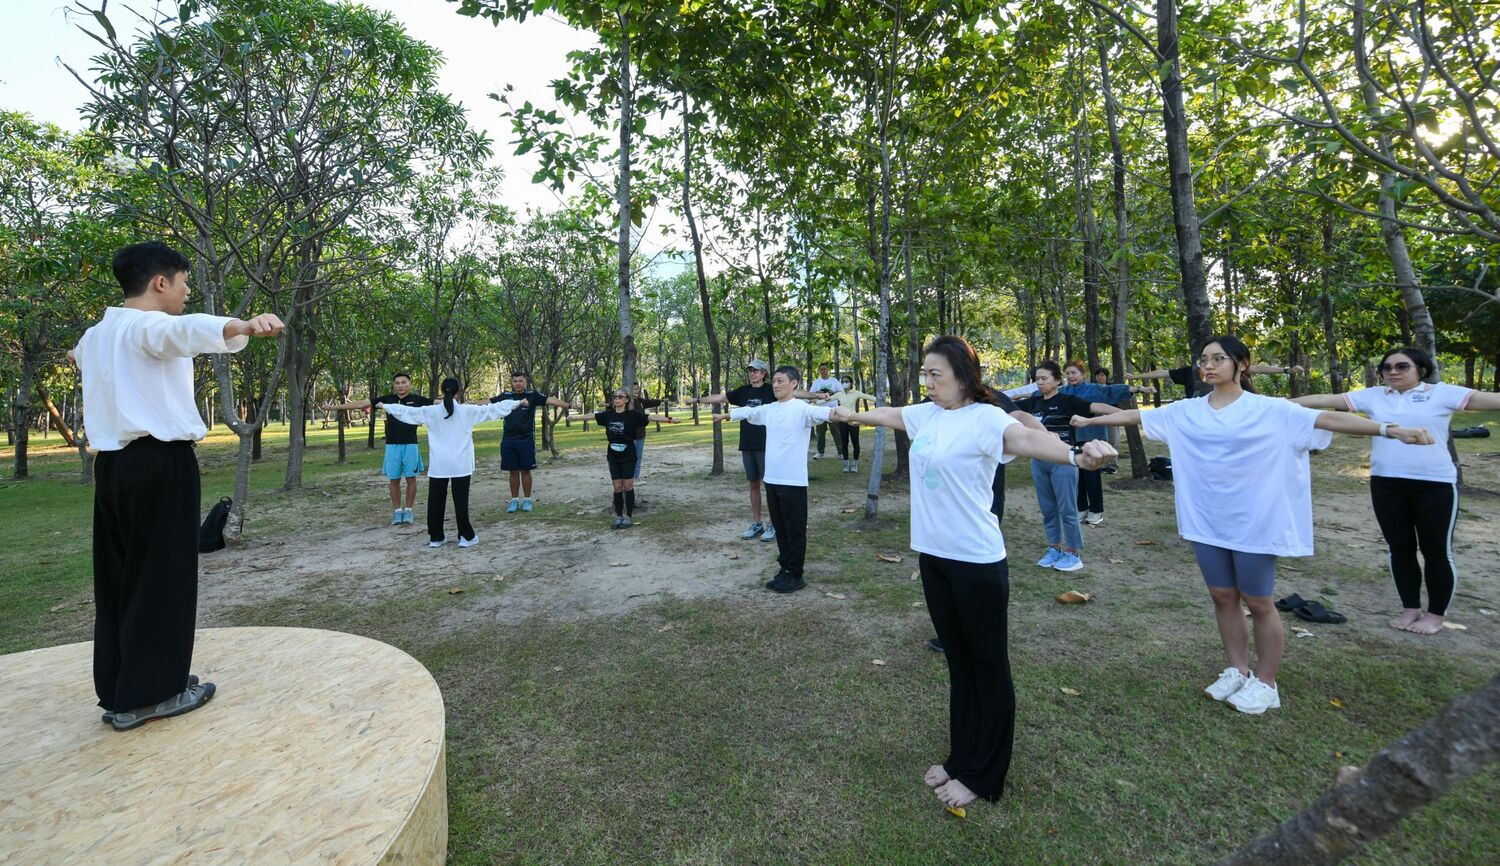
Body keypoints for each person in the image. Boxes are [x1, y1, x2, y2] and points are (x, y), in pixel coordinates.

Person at [1073, 335, 1435, 715]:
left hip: (1255, 521)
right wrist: (1092, 421)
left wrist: (1389, 429)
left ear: (1242, 364)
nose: (1208, 365)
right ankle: (1237, 670)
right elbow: (1136, 417)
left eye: (1218, 358)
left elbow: (1326, 419)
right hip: (1206, 520)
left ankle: (1266, 683)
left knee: (1259, 602)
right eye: (1204, 359)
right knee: (1222, 597)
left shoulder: (1270, 409)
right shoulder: (1187, 410)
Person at [836, 335, 1117, 810]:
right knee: (960, 664)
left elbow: (1027, 438)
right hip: (934, 557)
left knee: (987, 667)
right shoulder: (927, 414)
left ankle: (985, 775)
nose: (927, 382)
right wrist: (851, 416)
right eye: (925, 374)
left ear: (963, 376)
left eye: (935, 375)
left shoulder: (986, 417)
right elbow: (890, 415)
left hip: (976, 562)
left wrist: (1075, 456)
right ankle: (962, 757)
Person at [74, 241, 283, 731]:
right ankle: (151, 694)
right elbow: (184, 331)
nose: (187, 292)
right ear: (160, 282)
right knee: (162, 577)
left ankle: (124, 684)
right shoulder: (148, 326)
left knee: (121, 577)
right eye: (184, 282)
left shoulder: (96, 335)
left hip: (113, 468)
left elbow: (81, 355)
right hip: (158, 463)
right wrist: (242, 325)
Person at [1291, 347, 1500, 635]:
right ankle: (1410, 609)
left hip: (1435, 485)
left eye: (1402, 366)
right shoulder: (1375, 395)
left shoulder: (1442, 393)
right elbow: (1326, 399)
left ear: (1420, 369)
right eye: (1386, 367)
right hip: (1386, 483)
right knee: (1400, 549)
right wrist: (1278, 404)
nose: (1392, 372)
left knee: (1436, 551)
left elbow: (1491, 400)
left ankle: (1435, 616)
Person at [715, 365, 832, 592]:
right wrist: (725, 415)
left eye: (780, 381)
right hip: (772, 479)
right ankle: (785, 567)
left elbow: (826, 414)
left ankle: (796, 574)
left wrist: (849, 415)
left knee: (794, 529)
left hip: (793, 481)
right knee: (780, 526)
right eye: (775, 381)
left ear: (794, 384)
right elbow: (749, 412)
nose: (776, 385)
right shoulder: (770, 409)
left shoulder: (803, 409)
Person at [1010, 361, 1122, 572]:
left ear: (1057, 381)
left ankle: (1072, 552)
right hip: (1038, 461)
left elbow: (1097, 407)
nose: (1040, 382)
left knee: (1068, 509)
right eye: (1037, 379)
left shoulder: (1068, 401)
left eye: (1044, 378)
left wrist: (1127, 415)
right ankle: (1054, 548)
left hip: (1063, 460)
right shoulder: (1033, 403)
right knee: (1048, 509)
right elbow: (1007, 407)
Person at [380, 379, 520, 548]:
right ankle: (466, 537)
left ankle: (436, 537)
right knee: (460, 501)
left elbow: (407, 412)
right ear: (458, 392)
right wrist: (517, 402)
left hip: (439, 464)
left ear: (442, 391)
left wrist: (385, 406)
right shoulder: (467, 410)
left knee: (435, 501)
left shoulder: (432, 411)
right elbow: (492, 409)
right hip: (460, 464)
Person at [686, 360, 777, 541]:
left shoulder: (771, 390)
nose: (752, 373)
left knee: (770, 486)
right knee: (753, 484)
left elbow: (793, 392)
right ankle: (757, 523)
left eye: (756, 370)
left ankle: (773, 524)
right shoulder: (743, 391)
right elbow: (720, 398)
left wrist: (817, 395)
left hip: (767, 445)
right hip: (747, 444)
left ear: (764, 373)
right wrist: (697, 400)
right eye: (750, 370)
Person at [327, 373, 432, 525]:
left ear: (410, 384)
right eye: (397, 383)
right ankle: (397, 512)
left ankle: (408, 510)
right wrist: (334, 407)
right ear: (394, 385)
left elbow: (437, 403)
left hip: (410, 445)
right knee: (394, 479)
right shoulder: (387, 399)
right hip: (392, 446)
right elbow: (361, 404)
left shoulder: (417, 400)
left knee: (411, 479)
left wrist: (456, 400)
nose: (400, 385)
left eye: (403, 382)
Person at [1060, 359, 1152, 525]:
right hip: (1072, 439)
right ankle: (1081, 508)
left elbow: (1111, 390)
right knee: (1077, 476)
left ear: (1083, 374)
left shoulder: (1093, 389)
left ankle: (1096, 510)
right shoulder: (1064, 391)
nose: (1071, 376)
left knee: (1091, 476)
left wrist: (1138, 389)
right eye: (1068, 373)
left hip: (1092, 437)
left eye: (1074, 373)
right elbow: (1041, 393)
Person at [489, 372, 579, 514]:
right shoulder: (505, 396)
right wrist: (462, 405)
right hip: (508, 440)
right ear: (512, 383)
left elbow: (551, 400)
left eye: (521, 381)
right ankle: (514, 501)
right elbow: (487, 402)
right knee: (513, 471)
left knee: (526, 470)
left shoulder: (532, 396)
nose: (518, 383)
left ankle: (527, 500)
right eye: (515, 381)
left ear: (525, 383)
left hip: (526, 441)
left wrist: (568, 405)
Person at [593, 388, 678, 528]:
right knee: (617, 487)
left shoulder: (632, 415)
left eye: (620, 397)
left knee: (628, 486)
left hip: (628, 455)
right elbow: (591, 416)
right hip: (613, 456)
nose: (617, 399)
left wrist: (670, 420)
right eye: (615, 396)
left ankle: (628, 516)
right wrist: (573, 416)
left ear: (626, 400)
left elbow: (651, 417)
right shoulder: (608, 415)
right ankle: (618, 516)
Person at [1127, 359, 1302, 400]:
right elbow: (1162, 373)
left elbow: (1255, 368)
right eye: (1204, 359)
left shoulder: (1227, 370)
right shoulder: (1189, 372)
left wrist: (1286, 370)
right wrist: (1135, 377)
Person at [822, 376, 876, 472]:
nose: (844, 383)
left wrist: (881, 399)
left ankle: (855, 464)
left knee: (855, 443)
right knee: (844, 443)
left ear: (851, 383)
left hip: (854, 421)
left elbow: (870, 397)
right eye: (842, 381)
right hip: (843, 421)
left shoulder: (856, 393)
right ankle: (846, 465)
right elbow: (827, 400)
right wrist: (813, 403)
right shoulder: (839, 394)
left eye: (846, 381)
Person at [808, 363, 844, 459]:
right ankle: (820, 452)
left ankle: (841, 452)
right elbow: (811, 394)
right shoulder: (816, 382)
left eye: (825, 369)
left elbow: (841, 392)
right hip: (820, 410)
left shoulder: (834, 381)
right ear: (819, 371)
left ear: (828, 370)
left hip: (833, 409)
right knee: (820, 433)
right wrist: (818, 393)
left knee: (836, 432)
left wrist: (832, 392)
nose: (823, 371)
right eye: (821, 369)